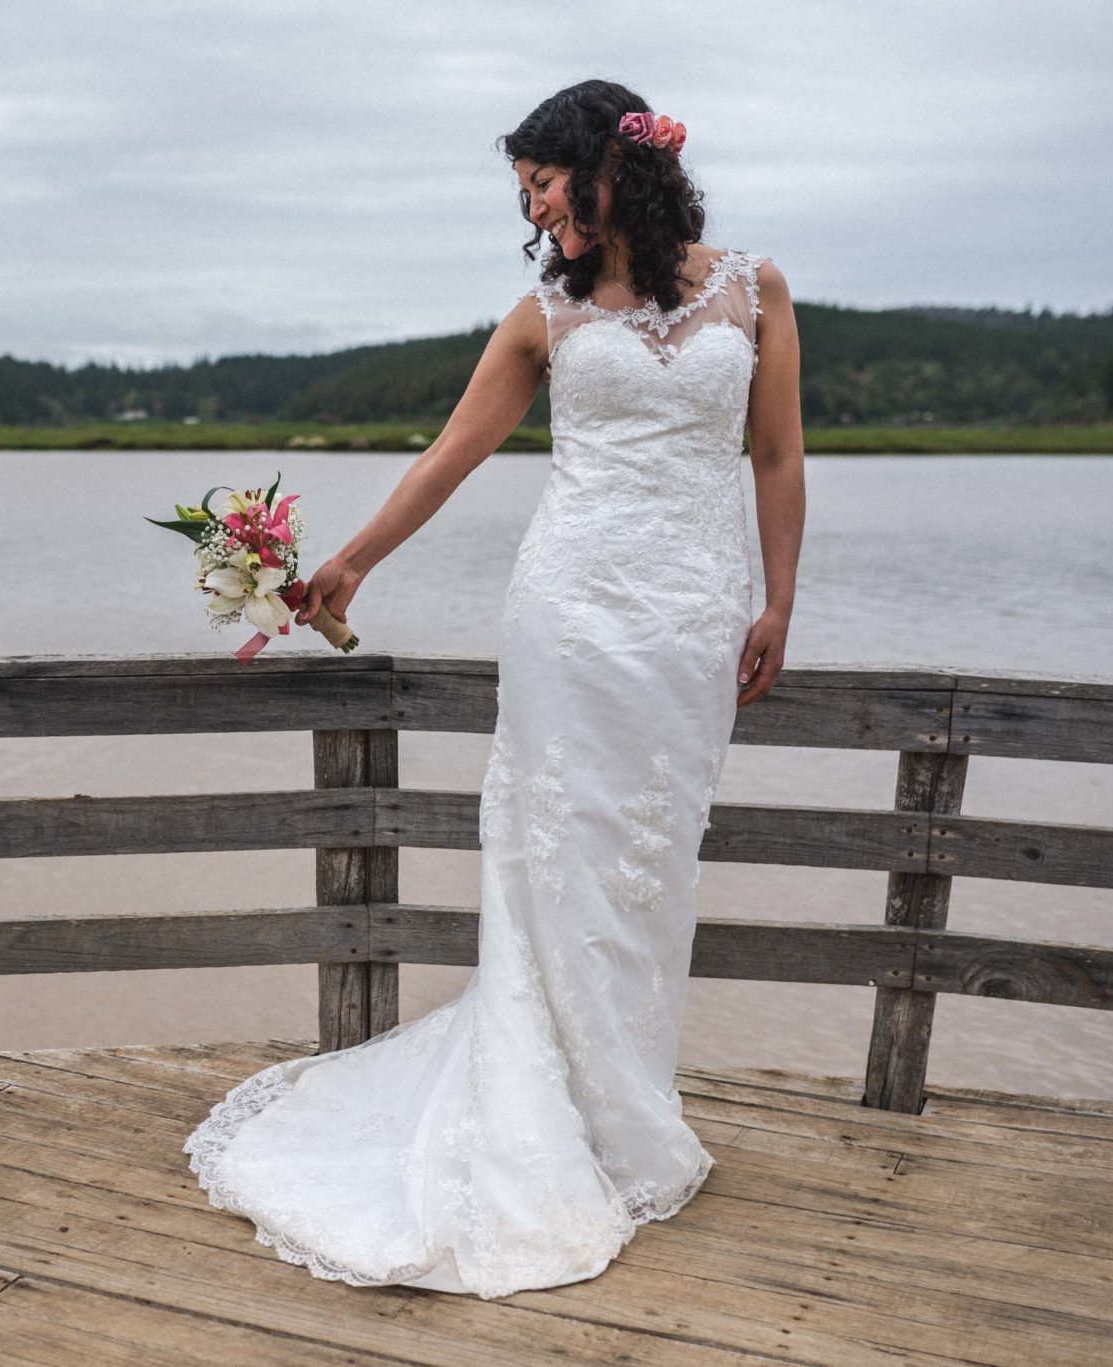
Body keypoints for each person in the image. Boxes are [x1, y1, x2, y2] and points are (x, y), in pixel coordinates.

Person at [182, 79, 806, 1298]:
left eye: (542, 182)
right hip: (567, 616)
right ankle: (550, 1125)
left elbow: (776, 453)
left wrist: (777, 599)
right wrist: (348, 561)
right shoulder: (540, 315)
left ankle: (625, 1112)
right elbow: (449, 456)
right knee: (557, 857)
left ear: (611, 169)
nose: (531, 208)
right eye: (520, 191)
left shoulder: (755, 289)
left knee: (649, 862)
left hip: (686, 625)